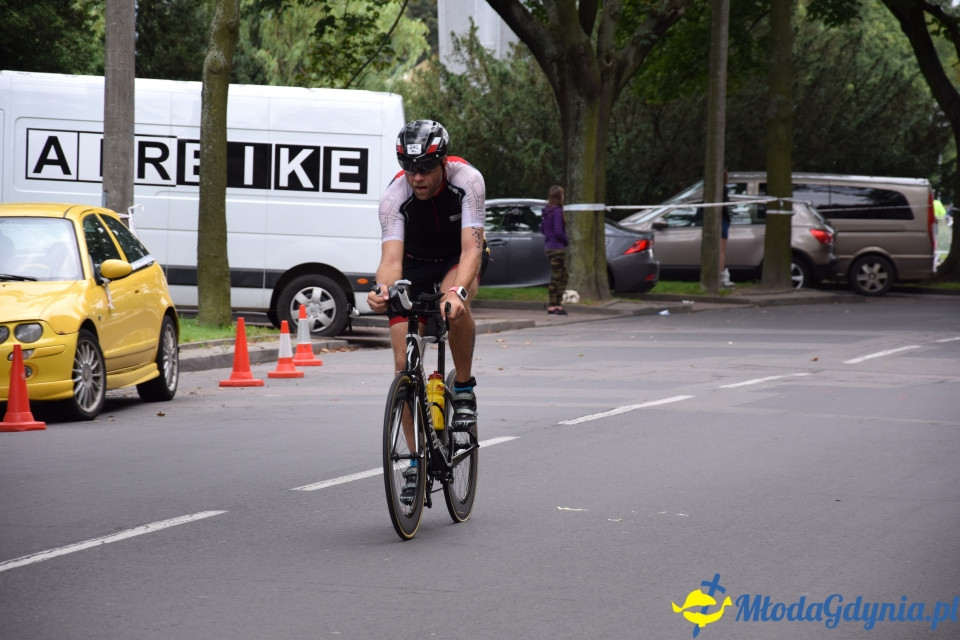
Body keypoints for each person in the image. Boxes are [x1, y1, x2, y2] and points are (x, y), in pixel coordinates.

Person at [367, 120, 486, 498]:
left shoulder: (468, 181)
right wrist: (382, 289)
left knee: (457, 306)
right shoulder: (393, 198)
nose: (417, 177)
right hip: (415, 265)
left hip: (455, 256)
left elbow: (472, 249)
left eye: (425, 168)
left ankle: (463, 388)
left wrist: (457, 292)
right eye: (409, 167)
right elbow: (390, 258)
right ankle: (415, 462)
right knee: (403, 366)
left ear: (443, 162)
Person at [541, 184, 569, 315]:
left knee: (562, 275)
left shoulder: (547, 211)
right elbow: (558, 231)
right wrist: (566, 240)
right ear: (560, 196)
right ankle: (554, 305)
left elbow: (542, 229)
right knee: (558, 277)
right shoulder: (557, 211)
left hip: (549, 246)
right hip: (557, 247)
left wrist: (549, 237)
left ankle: (557, 303)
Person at [720, 170, 734, 288]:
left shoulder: (720, 190)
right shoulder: (723, 190)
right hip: (722, 221)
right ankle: (720, 274)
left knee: (720, 250)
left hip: (720, 221)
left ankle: (720, 274)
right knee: (721, 250)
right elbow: (724, 207)